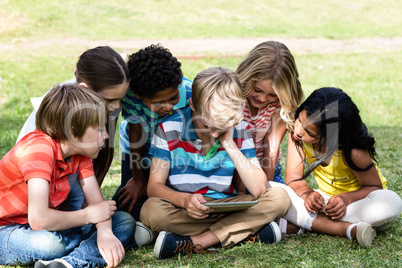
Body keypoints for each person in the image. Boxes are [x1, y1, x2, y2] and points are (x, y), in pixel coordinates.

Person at [140, 67, 291, 259]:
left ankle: (199, 242)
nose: (214, 133)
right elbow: (154, 187)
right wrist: (185, 201)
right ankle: (246, 232)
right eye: (208, 124)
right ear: (193, 105)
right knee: (150, 211)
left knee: (279, 197)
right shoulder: (169, 127)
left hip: (226, 206)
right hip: (185, 208)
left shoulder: (239, 127)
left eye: (222, 126)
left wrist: (229, 143)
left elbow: (259, 188)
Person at [0, 84, 135, 268]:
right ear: (73, 133)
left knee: (123, 221)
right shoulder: (38, 150)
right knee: (51, 244)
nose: (105, 136)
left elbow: (98, 206)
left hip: (51, 226)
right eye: (100, 129)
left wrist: (104, 233)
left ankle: (66, 264)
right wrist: (88, 216)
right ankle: (80, 250)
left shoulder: (81, 154)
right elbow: (39, 219)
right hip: (7, 230)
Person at [281, 87, 401, 247]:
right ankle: (343, 227)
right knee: (273, 190)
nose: (298, 131)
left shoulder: (352, 152)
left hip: (357, 204)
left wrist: (345, 199)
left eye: (310, 132)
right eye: (299, 121)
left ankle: (308, 221)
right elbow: (294, 179)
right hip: (324, 201)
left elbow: (374, 186)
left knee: (390, 203)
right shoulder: (296, 137)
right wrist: (308, 195)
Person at [17, 46, 130, 191]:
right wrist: (84, 213)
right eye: (110, 100)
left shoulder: (106, 99)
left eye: (120, 99)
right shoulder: (58, 109)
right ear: (85, 88)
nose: (116, 106)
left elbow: (104, 155)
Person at [113, 44, 192, 225]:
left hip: (175, 155)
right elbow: (135, 131)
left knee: (170, 199)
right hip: (139, 152)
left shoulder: (190, 93)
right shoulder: (129, 97)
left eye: (173, 98)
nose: (168, 107)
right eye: (159, 102)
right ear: (137, 94)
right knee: (127, 205)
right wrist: (138, 178)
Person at [236, 41, 304, 183]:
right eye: (257, 90)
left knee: (278, 202)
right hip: (232, 170)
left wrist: (265, 186)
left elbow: (272, 147)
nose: (262, 98)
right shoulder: (233, 94)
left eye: (272, 95)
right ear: (247, 77)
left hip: (266, 169)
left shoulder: (280, 104)